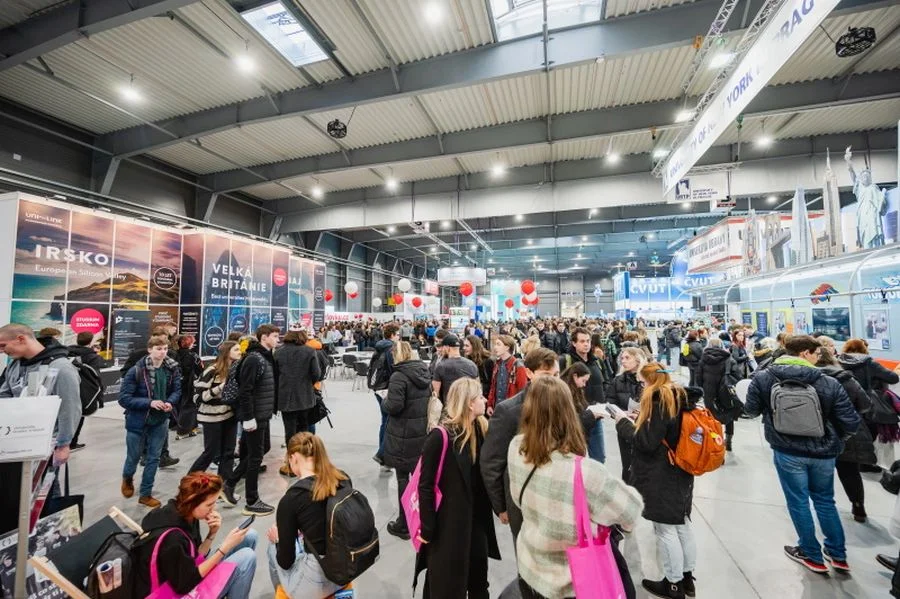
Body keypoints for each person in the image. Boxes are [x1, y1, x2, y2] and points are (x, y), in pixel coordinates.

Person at [509, 376, 643, 599]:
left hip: (530, 570)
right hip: (572, 583)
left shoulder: (516, 447)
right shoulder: (586, 472)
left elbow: (517, 498)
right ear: (568, 412)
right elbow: (631, 511)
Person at [745, 335, 860, 574]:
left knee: (798, 502)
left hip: (786, 451)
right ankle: (838, 554)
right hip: (824, 453)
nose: (819, 357)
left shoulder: (764, 377)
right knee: (825, 501)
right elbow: (850, 422)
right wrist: (836, 440)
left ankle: (811, 553)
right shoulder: (828, 382)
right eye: (817, 353)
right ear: (805, 353)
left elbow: (751, 410)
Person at [614, 363, 703, 599]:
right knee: (682, 525)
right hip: (681, 471)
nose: (641, 387)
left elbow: (645, 442)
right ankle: (687, 579)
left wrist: (622, 422)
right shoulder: (680, 398)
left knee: (665, 529)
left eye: (643, 382)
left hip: (662, 474)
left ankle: (673, 584)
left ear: (650, 381)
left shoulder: (659, 402)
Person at [413, 378, 499, 599]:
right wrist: (428, 527)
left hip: (476, 523)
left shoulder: (482, 429)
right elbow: (425, 485)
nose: (484, 400)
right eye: (480, 397)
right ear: (469, 403)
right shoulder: (440, 437)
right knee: (447, 585)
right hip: (447, 527)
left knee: (479, 582)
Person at [0, 324, 82, 535]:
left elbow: (70, 408)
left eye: (3, 345)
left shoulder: (62, 368)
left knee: (46, 492)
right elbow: (5, 393)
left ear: (20, 339)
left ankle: (53, 535)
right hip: (18, 443)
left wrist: (64, 444)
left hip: (47, 447)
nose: (2, 351)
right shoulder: (15, 366)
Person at [132, 472, 256, 599]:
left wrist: (212, 533)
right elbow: (185, 584)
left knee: (250, 536)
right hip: (176, 591)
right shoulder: (173, 538)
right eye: (209, 504)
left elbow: (196, 556)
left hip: (185, 577)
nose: (213, 509)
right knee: (247, 557)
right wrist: (224, 549)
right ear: (192, 502)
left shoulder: (187, 515)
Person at [480, 348, 560, 543]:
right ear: (530, 373)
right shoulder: (508, 411)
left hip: (558, 497)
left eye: (557, 375)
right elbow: (492, 462)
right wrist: (501, 506)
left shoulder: (564, 405)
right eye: (546, 375)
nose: (553, 381)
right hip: (522, 501)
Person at [265, 433, 350, 598]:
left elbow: (286, 561)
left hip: (316, 581)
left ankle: (284, 593)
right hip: (346, 570)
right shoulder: (343, 479)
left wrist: (278, 541)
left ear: (293, 458)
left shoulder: (291, 499)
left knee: (272, 545)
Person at [224, 324, 280, 516]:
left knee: (260, 450)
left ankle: (230, 483)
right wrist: (248, 417)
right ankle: (252, 500)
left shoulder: (265, 356)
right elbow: (245, 391)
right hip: (254, 415)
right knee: (255, 457)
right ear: (264, 337)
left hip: (262, 413)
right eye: (274, 336)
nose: (277, 340)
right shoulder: (255, 359)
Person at [120, 335, 182, 508]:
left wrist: (170, 402)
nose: (162, 352)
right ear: (150, 350)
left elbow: (176, 390)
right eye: (158, 349)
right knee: (133, 457)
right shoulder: (137, 371)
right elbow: (124, 398)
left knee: (153, 458)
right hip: (137, 421)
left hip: (160, 420)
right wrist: (150, 403)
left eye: (165, 349)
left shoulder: (172, 369)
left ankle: (145, 493)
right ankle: (127, 477)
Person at [816, 345, 875, 523]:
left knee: (820, 473)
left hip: (818, 432)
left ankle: (824, 509)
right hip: (847, 432)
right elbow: (865, 404)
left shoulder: (810, 379)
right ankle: (858, 506)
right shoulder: (847, 379)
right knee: (849, 471)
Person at [381, 341, 431, 540]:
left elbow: (394, 406)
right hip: (422, 432)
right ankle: (422, 519)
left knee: (403, 479)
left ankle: (404, 524)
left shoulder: (398, 376)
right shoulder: (424, 372)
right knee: (421, 479)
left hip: (402, 435)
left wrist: (384, 401)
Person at [189, 341, 241, 488]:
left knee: (228, 452)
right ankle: (190, 482)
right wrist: (221, 388)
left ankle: (224, 486)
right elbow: (199, 397)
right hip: (211, 417)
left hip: (229, 415)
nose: (240, 352)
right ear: (226, 352)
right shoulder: (212, 370)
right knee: (210, 452)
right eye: (236, 349)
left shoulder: (235, 369)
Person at [275, 330, 323, 477]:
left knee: (289, 432)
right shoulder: (309, 351)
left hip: (285, 397)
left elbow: (275, 375)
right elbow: (316, 374)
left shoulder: (278, 352)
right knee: (304, 430)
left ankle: (291, 464)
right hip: (305, 397)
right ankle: (305, 462)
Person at [560, 327, 606, 462]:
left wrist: (603, 402)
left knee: (599, 458)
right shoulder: (565, 360)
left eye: (588, 341)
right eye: (582, 341)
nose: (586, 344)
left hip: (595, 416)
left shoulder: (597, 361)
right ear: (574, 343)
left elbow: (606, 381)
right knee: (575, 459)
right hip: (574, 418)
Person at [605, 346, 647, 480]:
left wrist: (643, 412)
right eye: (622, 358)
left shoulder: (647, 379)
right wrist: (621, 413)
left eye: (627, 358)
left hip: (645, 428)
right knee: (627, 464)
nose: (623, 361)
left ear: (638, 359)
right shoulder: (618, 380)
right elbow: (609, 402)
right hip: (624, 427)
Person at [696, 336, 742, 452]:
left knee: (712, 417)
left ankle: (715, 442)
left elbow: (698, 378)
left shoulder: (704, 359)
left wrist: (704, 388)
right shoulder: (728, 359)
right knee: (729, 415)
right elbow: (738, 376)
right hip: (726, 393)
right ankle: (729, 441)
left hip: (709, 393)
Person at [68, 330, 104, 451]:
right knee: (80, 415)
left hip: (68, 387)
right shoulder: (93, 357)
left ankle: (64, 442)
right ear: (90, 342)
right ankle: (72, 443)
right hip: (84, 390)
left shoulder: (67, 353)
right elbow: (95, 376)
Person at [371, 323, 399, 468]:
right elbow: (393, 369)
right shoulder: (390, 349)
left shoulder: (378, 347)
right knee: (390, 422)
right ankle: (382, 454)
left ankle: (384, 455)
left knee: (385, 420)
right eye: (397, 334)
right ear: (392, 335)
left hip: (378, 388)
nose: (399, 337)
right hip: (387, 388)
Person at [487, 335, 528, 416]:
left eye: (498, 344)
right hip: (497, 408)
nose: (495, 347)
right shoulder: (497, 364)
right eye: (495, 344)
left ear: (507, 347)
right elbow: (493, 386)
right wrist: (490, 404)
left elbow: (523, 391)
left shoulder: (518, 366)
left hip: (512, 411)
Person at [431, 334, 478, 405]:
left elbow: (435, 393)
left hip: (449, 407)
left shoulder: (441, 366)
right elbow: (477, 389)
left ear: (447, 348)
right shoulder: (472, 364)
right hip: (468, 406)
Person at [174, 335, 204, 440]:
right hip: (189, 384)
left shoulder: (174, 354)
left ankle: (191, 427)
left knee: (180, 405)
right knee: (189, 406)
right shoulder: (193, 355)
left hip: (177, 383)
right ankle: (183, 431)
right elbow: (200, 369)